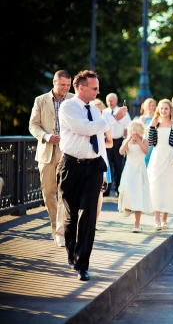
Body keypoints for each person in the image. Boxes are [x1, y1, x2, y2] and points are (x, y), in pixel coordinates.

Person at [58, 70, 128, 281]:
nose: (98, 91)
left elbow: (99, 144)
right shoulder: (68, 107)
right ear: (81, 88)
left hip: (93, 168)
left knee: (88, 215)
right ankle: (71, 251)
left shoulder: (97, 112)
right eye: (95, 88)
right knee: (70, 216)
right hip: (71, 166)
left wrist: (104, 171)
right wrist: (114, 118)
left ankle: (82, 264)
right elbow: (86, 129)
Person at [29, 70, 73, 247]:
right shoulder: (40, 100)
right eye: (63, 85)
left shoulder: (73, 100)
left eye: (68, 85)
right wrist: (46, 136)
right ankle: (56, 227)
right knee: (48, 193)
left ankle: (60, 231)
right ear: (54, 82)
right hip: (46, 152)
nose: (66, 88)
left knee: (65, 192)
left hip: (67, 152)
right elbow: (33, 125)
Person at [147, 99, 173, 230]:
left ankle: (164, 219)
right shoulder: (155, 123)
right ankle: (156, 220)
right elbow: (150, 142)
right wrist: (151, 127)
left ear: (170, 110)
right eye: (161, 108)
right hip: (157, 157)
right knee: (156, 187)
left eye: (166, 108)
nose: (163, 111)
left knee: (168, 188)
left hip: (171, 157)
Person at [118, 121, 153, 233]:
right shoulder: (126, 141)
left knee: (138, 195)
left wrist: (138, 141)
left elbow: (145, 151)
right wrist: (128, 139)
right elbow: (121, 151)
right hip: (129, 169)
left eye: (137, 134)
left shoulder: (144, 141)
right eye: (132, 133)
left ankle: (137, 223)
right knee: (125, 188)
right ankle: (127, 207)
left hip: (139, 170)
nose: (134, 136)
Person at [90, 98, 114, 231]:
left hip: (101, 160)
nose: (98, 112)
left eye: (100, 110)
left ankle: (96, 221)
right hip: (87, 159)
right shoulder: (86, 123)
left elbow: (110, 142)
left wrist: (100, 145)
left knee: (99, 193)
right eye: (96, 110)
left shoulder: (105, 124)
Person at [102, 93, 132, 196]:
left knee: (119, 166)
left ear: (116, 100)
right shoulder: (104, 112)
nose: (110, 102)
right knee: (107, 165)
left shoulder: (122, 112)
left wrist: (127, 143)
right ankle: (106, 190)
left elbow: (127, 128)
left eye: (112, 100)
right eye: (108, 100)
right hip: (106, 141)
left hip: (118, 141)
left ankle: (118, 189)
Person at [138, 98, 157, 166]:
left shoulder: (157, 118)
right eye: (149, 105)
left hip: (154, 141)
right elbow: (139, 131)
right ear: (145, 106)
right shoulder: (143, 118)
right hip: (145, 140)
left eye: (152, 105)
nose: (151, 107)